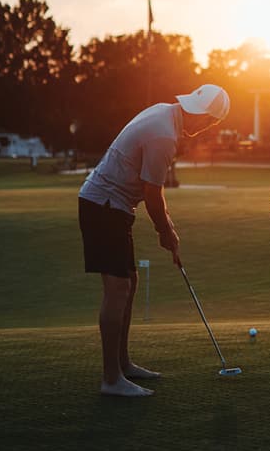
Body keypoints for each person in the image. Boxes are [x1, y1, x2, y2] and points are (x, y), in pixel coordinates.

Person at [78, 84, 230, 398]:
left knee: (129, 283)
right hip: (104, 206)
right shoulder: (164, 136)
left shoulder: (164, 112)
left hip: (111, 206)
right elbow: (152, 195)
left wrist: (167, 229)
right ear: (202, 117)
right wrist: (167, 232)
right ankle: (111, 379)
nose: (204, 130)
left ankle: (123, 364)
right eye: (209, 123)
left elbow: (149, 192)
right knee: (117, 288)